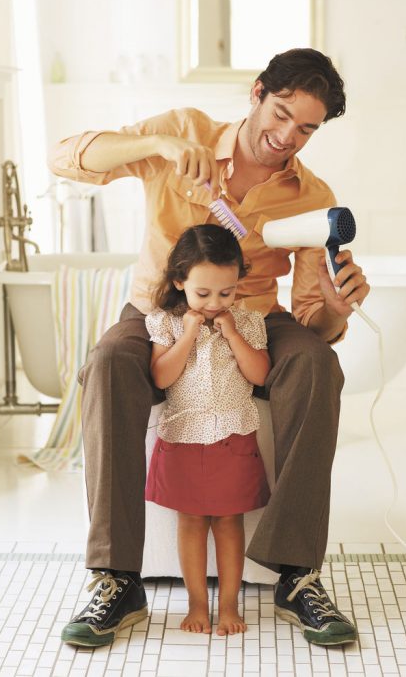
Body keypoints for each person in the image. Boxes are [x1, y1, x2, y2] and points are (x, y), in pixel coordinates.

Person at [50, 47, 370, 649]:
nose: (286, 137)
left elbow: (312, 321)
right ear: (256, 93)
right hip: (159, 310)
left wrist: (334, 307)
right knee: (110, 361)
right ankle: (117, 578)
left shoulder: (310, 195)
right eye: (280, 114)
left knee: (316, 361)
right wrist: (157, 148)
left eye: (306, 128)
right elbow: (67, 157)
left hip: (253, 318)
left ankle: (297, 574)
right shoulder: (182, 134)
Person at [144, 223, 271, 636]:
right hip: (184, 435)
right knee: (192, 522)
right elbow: (162, 377)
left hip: (233, 434)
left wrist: (232, 333)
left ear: (238, 285)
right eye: (203, 293)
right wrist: (190, 335)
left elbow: (259, 373)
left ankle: (230, 604)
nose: (215, 302)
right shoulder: (166, 322)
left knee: (229, 522)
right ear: (180, 281)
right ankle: (198, 603)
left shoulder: (249, 322)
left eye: (226, 292)